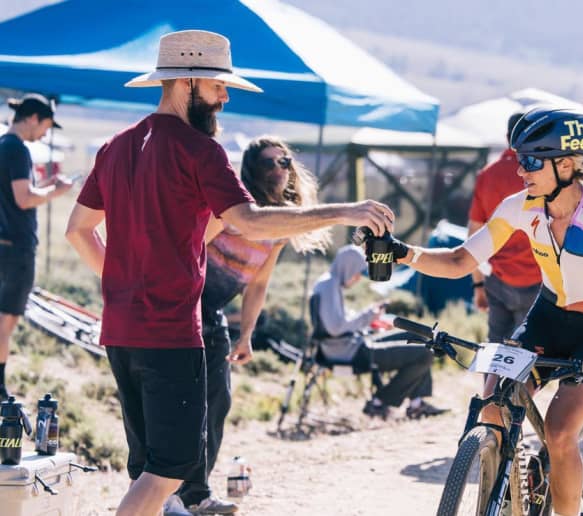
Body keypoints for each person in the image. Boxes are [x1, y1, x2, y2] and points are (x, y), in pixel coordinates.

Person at [65, 30, 393, 516]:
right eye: (219, 85)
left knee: (149, 469)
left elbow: (78, 230)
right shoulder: (200, 150)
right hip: (171, 333)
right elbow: (251, 222)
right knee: (171, 469)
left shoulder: (116, 146)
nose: (225, 96)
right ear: (189, 81)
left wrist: (120, 284)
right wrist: (344, 212)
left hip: (120, 330)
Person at [368, 108, 583, 516]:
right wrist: (404, 253)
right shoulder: (520, 206)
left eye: (531, 161)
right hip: (547, 318)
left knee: (560, 430)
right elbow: (462, 260)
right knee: (493, 405)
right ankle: (504, 494)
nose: (520, 171)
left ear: (565, 164)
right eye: (519, 160)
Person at [163, 135, 333, 516]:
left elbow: (258, 282)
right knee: (185, 407)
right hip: (182, 310)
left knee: (217, 402)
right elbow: (187, 247)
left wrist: (246, 334)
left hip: (213, 316)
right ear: (252, 170)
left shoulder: (277, 224)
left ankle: (196, 494)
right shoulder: (234, 210)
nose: (279, 170)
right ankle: (168, 494)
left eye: (285, 162)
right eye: (270, 163)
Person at [311, 245, 446, 419]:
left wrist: (371, 322)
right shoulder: (329, 286)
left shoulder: (329, 283)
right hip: (350, 352)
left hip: (351, 345)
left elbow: (338, 323)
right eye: (357, 272)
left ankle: (416, 403)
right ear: (348, 266)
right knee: (425, 353)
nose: (358, 278)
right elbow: (335, 328)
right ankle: (380, 402)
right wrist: (368, 316)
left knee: (417, 338)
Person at [0, 93, 73, 401]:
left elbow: (18, 193)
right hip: (15, 249)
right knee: (6, 321)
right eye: (44, 125)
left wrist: (46, 186)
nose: (44, 133)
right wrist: (57, 192)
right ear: (32, 118)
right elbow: (23, 199)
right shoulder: (17, 150)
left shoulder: (5, 145)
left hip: (5, 242)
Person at [467, 112, 541, 343]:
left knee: (494, 353)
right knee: (527, 356)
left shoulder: (487, 175)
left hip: (498, 280)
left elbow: (474, 232)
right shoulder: (542, 175)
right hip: (537, 279)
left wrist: (478, 283)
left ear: (508, 136)